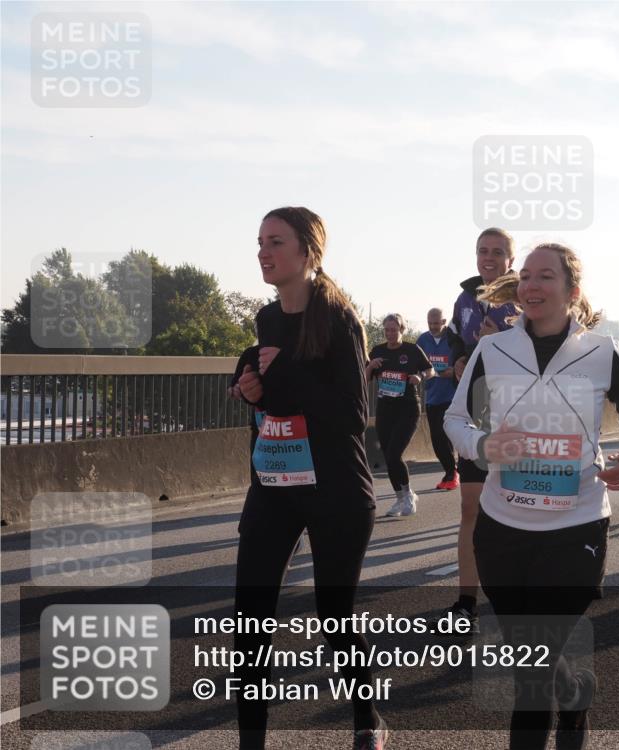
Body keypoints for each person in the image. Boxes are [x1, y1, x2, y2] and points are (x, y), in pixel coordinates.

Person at [444, 242, 619, 750]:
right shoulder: (492, 350)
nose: (532, 286)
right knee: (533, 662)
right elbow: (456, 418)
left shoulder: (602, 352)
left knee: (530, 676)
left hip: (575, 526)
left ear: (572, 291)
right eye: (527, 278)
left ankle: (570, 699)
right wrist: (482, 443)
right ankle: (576, 689)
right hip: (503, 530)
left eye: (546, 277)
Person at [229, 206, 387, 749]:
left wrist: (284, 373)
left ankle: (367, 718)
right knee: (248, 623)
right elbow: (276, 392)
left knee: (335, 620)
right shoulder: (268, 319)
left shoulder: (339, 319)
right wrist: (250, 382)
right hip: (275, 485)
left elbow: (348, 413)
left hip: (337, 488)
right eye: (259, 242)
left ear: (307, 252)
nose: (263, 252)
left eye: (275, 241)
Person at [442, 227, 519, 631]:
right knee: (469, 507)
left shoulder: (524, 298)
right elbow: (456, 339)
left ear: (512, 258)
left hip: (521, 419)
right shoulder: (465, 297)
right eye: (482, 251)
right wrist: (459, 358)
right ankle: (465, 601)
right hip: (477, 415)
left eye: (497, 252)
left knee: (516, 508)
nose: (488, 258)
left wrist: (502, 340)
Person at [366, 314, 434, 516]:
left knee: (395, 453)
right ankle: (401, 497)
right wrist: (371, 366)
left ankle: (407, 496)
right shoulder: (378, 351)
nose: (390, 334)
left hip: (408, 408)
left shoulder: (411, 350)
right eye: (387, 330)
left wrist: (419, 376)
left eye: (394, 330)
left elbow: (430, 370)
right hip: (385, 409)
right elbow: (365, 378)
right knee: (388, 456)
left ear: (401, 330)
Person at [417, 308, 459, 491]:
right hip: (432, 397)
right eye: (430, 323)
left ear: (444, 321)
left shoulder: (453, 338)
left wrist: (453, 371)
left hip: (453, 395)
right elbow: (417, 363)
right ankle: (451, 471)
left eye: (436, 323)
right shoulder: (423, 340)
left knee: (451, 435)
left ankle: (454, 472)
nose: (433, 327)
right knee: (437, 438)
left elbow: (462, 361)